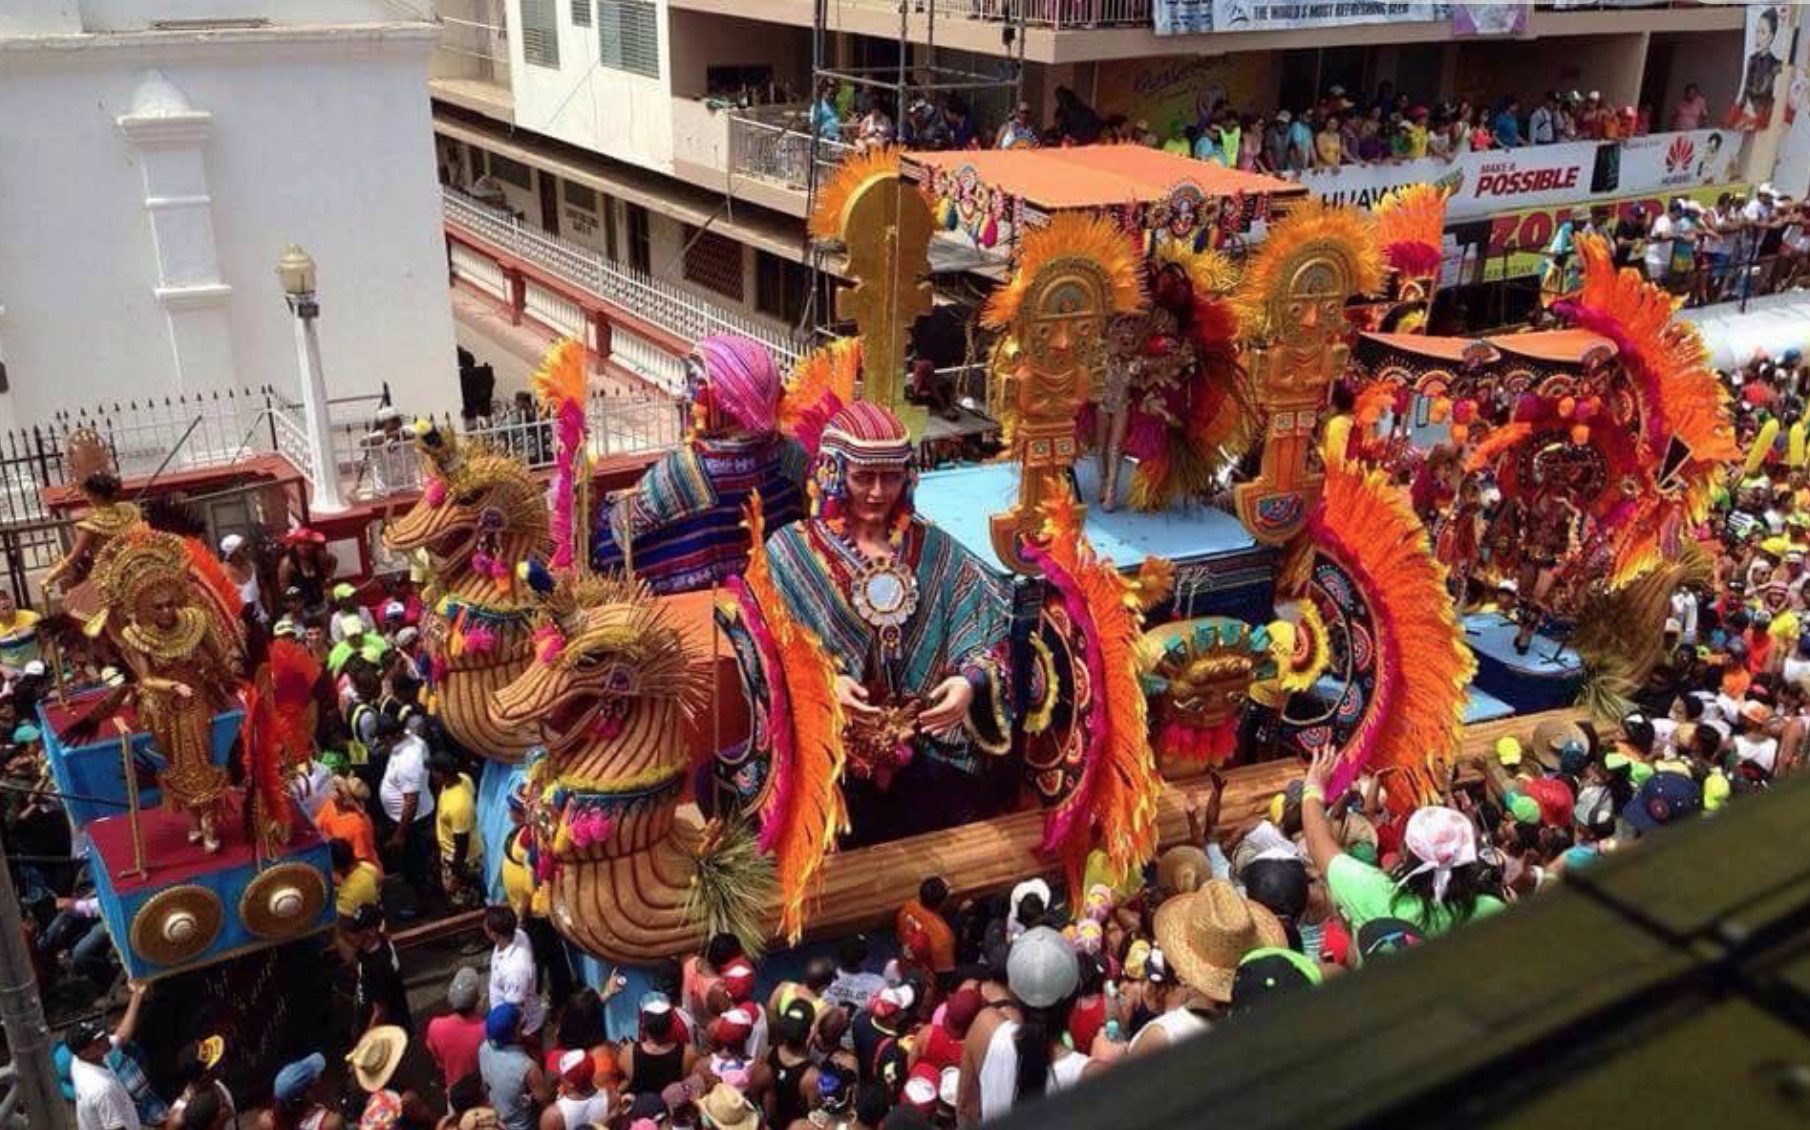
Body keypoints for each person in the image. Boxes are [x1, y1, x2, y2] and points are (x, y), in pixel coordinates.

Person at [592, 335, 808, 593]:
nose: (687, 395)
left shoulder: (683, 471)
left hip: (691, 605)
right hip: (773, 595)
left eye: (695, 384)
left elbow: (612, 543)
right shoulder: (794, 455)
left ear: (719, 403)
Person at [1300, 748, 1506, 937]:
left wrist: (1312, 788)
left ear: (1406, 852)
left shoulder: (1377, 894)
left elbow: (1318, 844)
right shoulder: (1491, 910)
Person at [377, 713, 435, 918]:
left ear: (392, 736)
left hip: (412, 823)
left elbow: (411, 801)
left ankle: (422, 906)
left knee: (416, 866)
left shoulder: (408, 760)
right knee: (416, 863)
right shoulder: (411, 739)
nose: (381, 744)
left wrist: (400, 835)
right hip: (412, 818)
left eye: (383, 740)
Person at [68, 1004, 142, 1130]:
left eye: (103, 1035)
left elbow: (122, 1036)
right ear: (85, 1053)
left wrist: (137, 996)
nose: (106, 1038)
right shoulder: (102, 1090)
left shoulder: (80, 1060)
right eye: (98, 1040)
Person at [480, 1004, 552, 1130]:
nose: (524, 1022)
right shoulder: (527, 1067)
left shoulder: (483, 1048)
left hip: (496, 1119)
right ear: (514, 1033)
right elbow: (546, 1103)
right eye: (520, 1024)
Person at [347, 904, 414, 1036]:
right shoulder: (374, 945)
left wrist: (364, 1041)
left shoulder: (379, 967)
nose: (350, 935)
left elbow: (380, 1011)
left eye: (356, 931)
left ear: (371, 932)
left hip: (385, 1031)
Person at [620, 993, 697, 1096]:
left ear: (643, 1025)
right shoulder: (689, 1053)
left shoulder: (627, 1053)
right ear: (671, 1024)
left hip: (643, 1104)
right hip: (673, 1103)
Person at [428, 967, 489, 1091]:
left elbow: (438, 1061)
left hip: (454, 1090)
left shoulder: (435, 1026)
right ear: (477, 1001)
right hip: (480, 1091)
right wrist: (480, 1016)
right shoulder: (486, 1030)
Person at [434, 753, 482, 909]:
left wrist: (456, 874)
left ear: (441, 774)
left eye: (433, 771)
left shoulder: (458, 805)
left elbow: (462, 843)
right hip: (452, 853)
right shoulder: (463, 778)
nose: (431, 775)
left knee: (461, 900)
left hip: (462, 859)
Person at [896, 876, 958, 989]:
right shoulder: (943, 936)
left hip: (904, 962)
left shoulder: (907, 907)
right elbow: (945, 975)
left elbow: (900, 940)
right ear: (943, 902)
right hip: (925, 978)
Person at [258, 1053, 345, 1130]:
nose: (318, 1080)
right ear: (307, 1093)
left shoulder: (266, 1121)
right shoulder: (330, 1122)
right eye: (315, 1079)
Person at [167, 1036, 234, 1129]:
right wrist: (219, 1122)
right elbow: (172, 1124)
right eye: (215, 1065)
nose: (221, 1065)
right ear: (203, 1076)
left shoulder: (219, 1085)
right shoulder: (181, 1115)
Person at [542, 1050, 611, 1130]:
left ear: (570, 1083)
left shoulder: (553, 1116)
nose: (559, 1078)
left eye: (561, 1075)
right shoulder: (612, 1098)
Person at [276, 528, 335, 615]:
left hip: (322, 603)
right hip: (301, 609)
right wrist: (294, 601)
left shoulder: (319, 557)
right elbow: (284, 589)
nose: (304, 547)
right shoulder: (287, 564)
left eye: (307, 543)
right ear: (295, 545)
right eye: (300, 543)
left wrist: (328, 578)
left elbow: (333, 560)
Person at [0, 589, 43, 675]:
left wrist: (41, 658)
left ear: (12, 601)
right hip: (11, 673)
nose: (3, 602)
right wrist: (4, 669)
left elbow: (45, 640)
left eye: (5, 598)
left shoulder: (33, 617)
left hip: (36, 667)